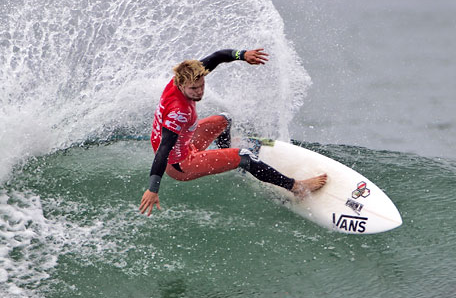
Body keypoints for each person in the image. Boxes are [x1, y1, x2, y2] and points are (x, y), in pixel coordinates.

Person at [139, 48, 327, 216]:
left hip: (185, 144)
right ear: (180, 85)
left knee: (224, 120)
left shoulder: (186, 76)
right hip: (181, 164)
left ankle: (227, 157)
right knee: (244, 155)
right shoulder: (179, 112)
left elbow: (217, 56)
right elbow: (164, 149)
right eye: (193, 89)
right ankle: (297, 187)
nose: (199, 92)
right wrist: (153, 189)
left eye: (201, 85)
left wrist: (243, 55)